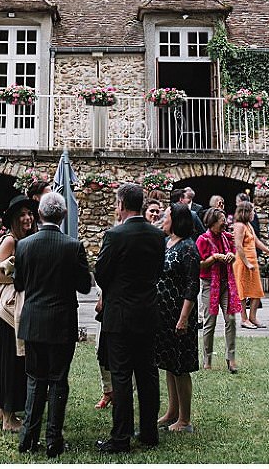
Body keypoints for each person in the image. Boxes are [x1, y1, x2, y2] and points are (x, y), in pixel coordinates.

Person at [13, 191, 92, 457]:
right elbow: (84, 286)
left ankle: (27, 438)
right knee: (58, 379)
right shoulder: (73, 246)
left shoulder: (24, 246)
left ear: (39, 214)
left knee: (35, 379)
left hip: (34, 319)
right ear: (64, 215)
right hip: (62, 321)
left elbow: (20, 284)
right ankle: (53, 440)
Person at [94, 182, 165, 454]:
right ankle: (148, 432)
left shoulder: (115, 235)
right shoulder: (157, 236)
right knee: (148, 373)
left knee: (122, 375)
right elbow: (157, 271)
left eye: (116, 203)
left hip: (120, 313)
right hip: (147, 310)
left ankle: (121, 437)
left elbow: (101, 273)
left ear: (122, 205)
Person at [0, 195, 38, 433]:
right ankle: (9, 419)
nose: (27, 218)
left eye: (29, 213)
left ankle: (1, 411)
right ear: (13, 219)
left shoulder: (27, 239)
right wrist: (21, 279)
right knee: (11, 362)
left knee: (10, 361)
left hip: (18, 306)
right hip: (10, 309)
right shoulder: (10, 241)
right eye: (22, 214)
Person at [154, 203, 201, 433]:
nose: (163, 218)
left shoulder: (188, 248)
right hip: (163, 314)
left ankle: (185, 419)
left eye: (167, 216)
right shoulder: (166, 243)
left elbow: (193, 286)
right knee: (169, 365)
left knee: (181, 367)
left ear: (177, 220)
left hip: (180, 315)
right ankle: (171, 412)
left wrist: (183, 318)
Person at [197, 208, 240, 372]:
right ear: (212, 222)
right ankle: (207, 360)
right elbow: (199, 264)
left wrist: (231, 256)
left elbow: (234, 254)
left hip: (226, 284)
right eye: (222, 220)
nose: (225, 223)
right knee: (210, 322)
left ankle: (231, 359)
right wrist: (214, 258)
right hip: (209, 284)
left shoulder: (226, 237)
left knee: (231, 320)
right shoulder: (203, 240)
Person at [232, 200, 269, 329]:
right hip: (243, 262)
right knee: (243, 292)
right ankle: (244, 319)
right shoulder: (239, 226)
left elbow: (255, 241)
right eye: (252, 211)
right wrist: (246, 263)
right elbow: (238, 246)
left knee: (256, 291)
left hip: (252, 261)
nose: (254, 213)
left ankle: (253, 317)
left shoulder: (248, 225)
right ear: (246, 212)